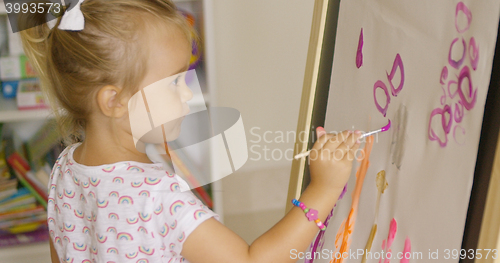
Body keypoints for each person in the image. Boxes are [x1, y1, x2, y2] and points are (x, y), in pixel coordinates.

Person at [20, 0, 363, 262]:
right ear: (114, 101)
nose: (188, 93)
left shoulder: (65, 167)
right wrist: (324, 187)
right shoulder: (156, 195)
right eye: (174, 82)